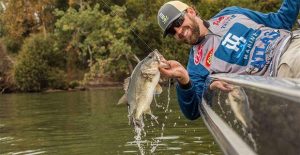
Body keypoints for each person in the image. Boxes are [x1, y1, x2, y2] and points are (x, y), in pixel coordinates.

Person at [157, 0, 300, 120]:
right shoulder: (195, 66)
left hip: (294, 38)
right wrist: (183, 80)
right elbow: (193, 111)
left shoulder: (231, 12)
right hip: (283, 65)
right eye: (172, 32)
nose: (179, 31)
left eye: (178, 22)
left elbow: (281, 21)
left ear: (191, 12)